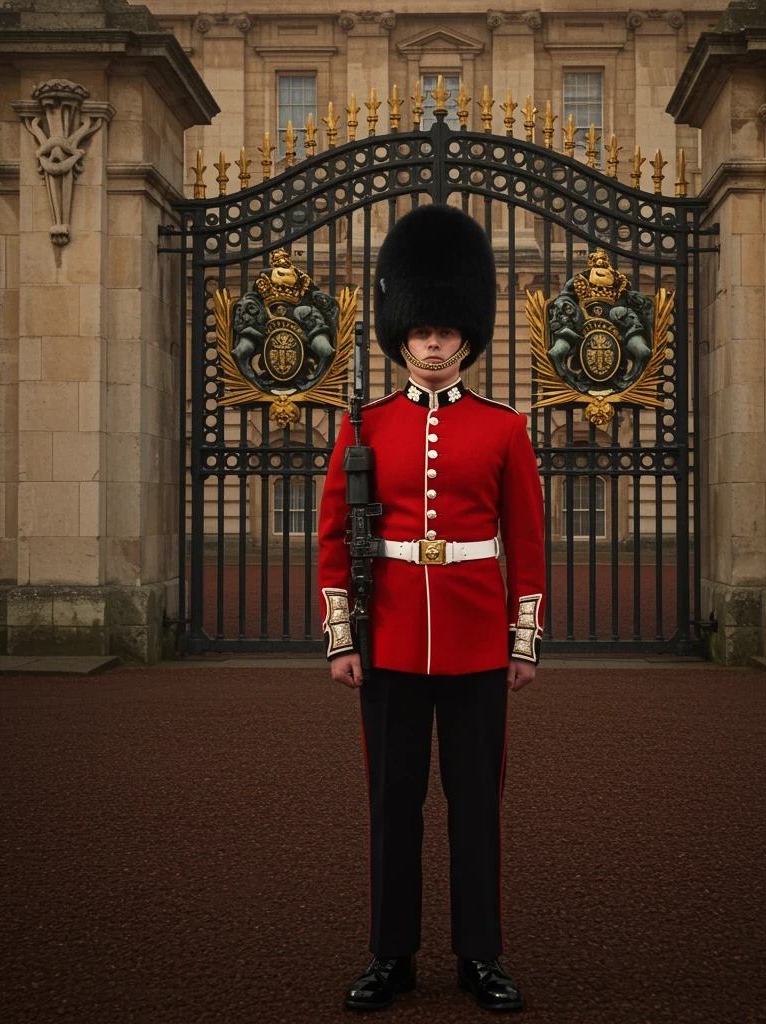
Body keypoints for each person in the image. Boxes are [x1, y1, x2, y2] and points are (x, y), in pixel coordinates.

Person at [316, 203, 546, 1013]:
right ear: (401, 335)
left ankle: (481, 954)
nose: (435, 342)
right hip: (390, 646)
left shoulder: (505, 431)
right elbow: (336, 539)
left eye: (448, 329)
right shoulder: (363, 429)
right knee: (393, 806)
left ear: (468, 336)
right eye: (422, 330)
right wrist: (343, 640)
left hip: (481, 643)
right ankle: (392, 954)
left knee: (477, 808)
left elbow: (527, 542)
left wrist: (524, 644)